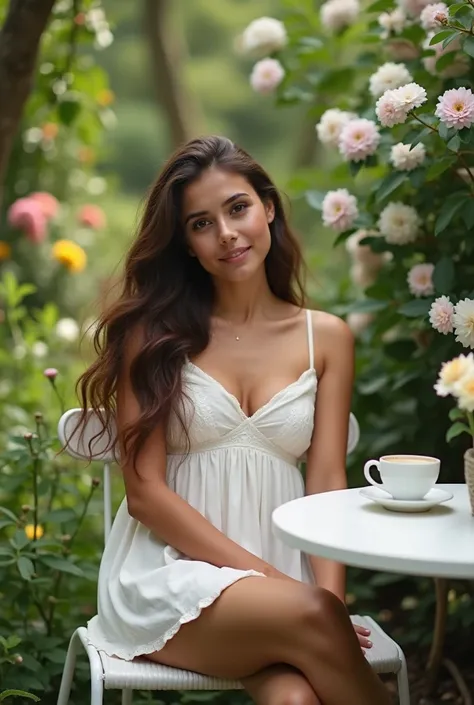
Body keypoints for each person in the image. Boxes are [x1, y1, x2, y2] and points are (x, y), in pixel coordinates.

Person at [77, 135, 391, 705]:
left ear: (267, 207)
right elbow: (145, 494)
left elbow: (325, 481)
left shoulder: (328, 338)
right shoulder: (153, 337)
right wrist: (285, 591)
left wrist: (331, 602)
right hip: (170, 576)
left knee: (294, 700)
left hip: (288, 586)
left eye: (238, 208)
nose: (225, 233)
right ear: (186, 245)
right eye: (201, 223)